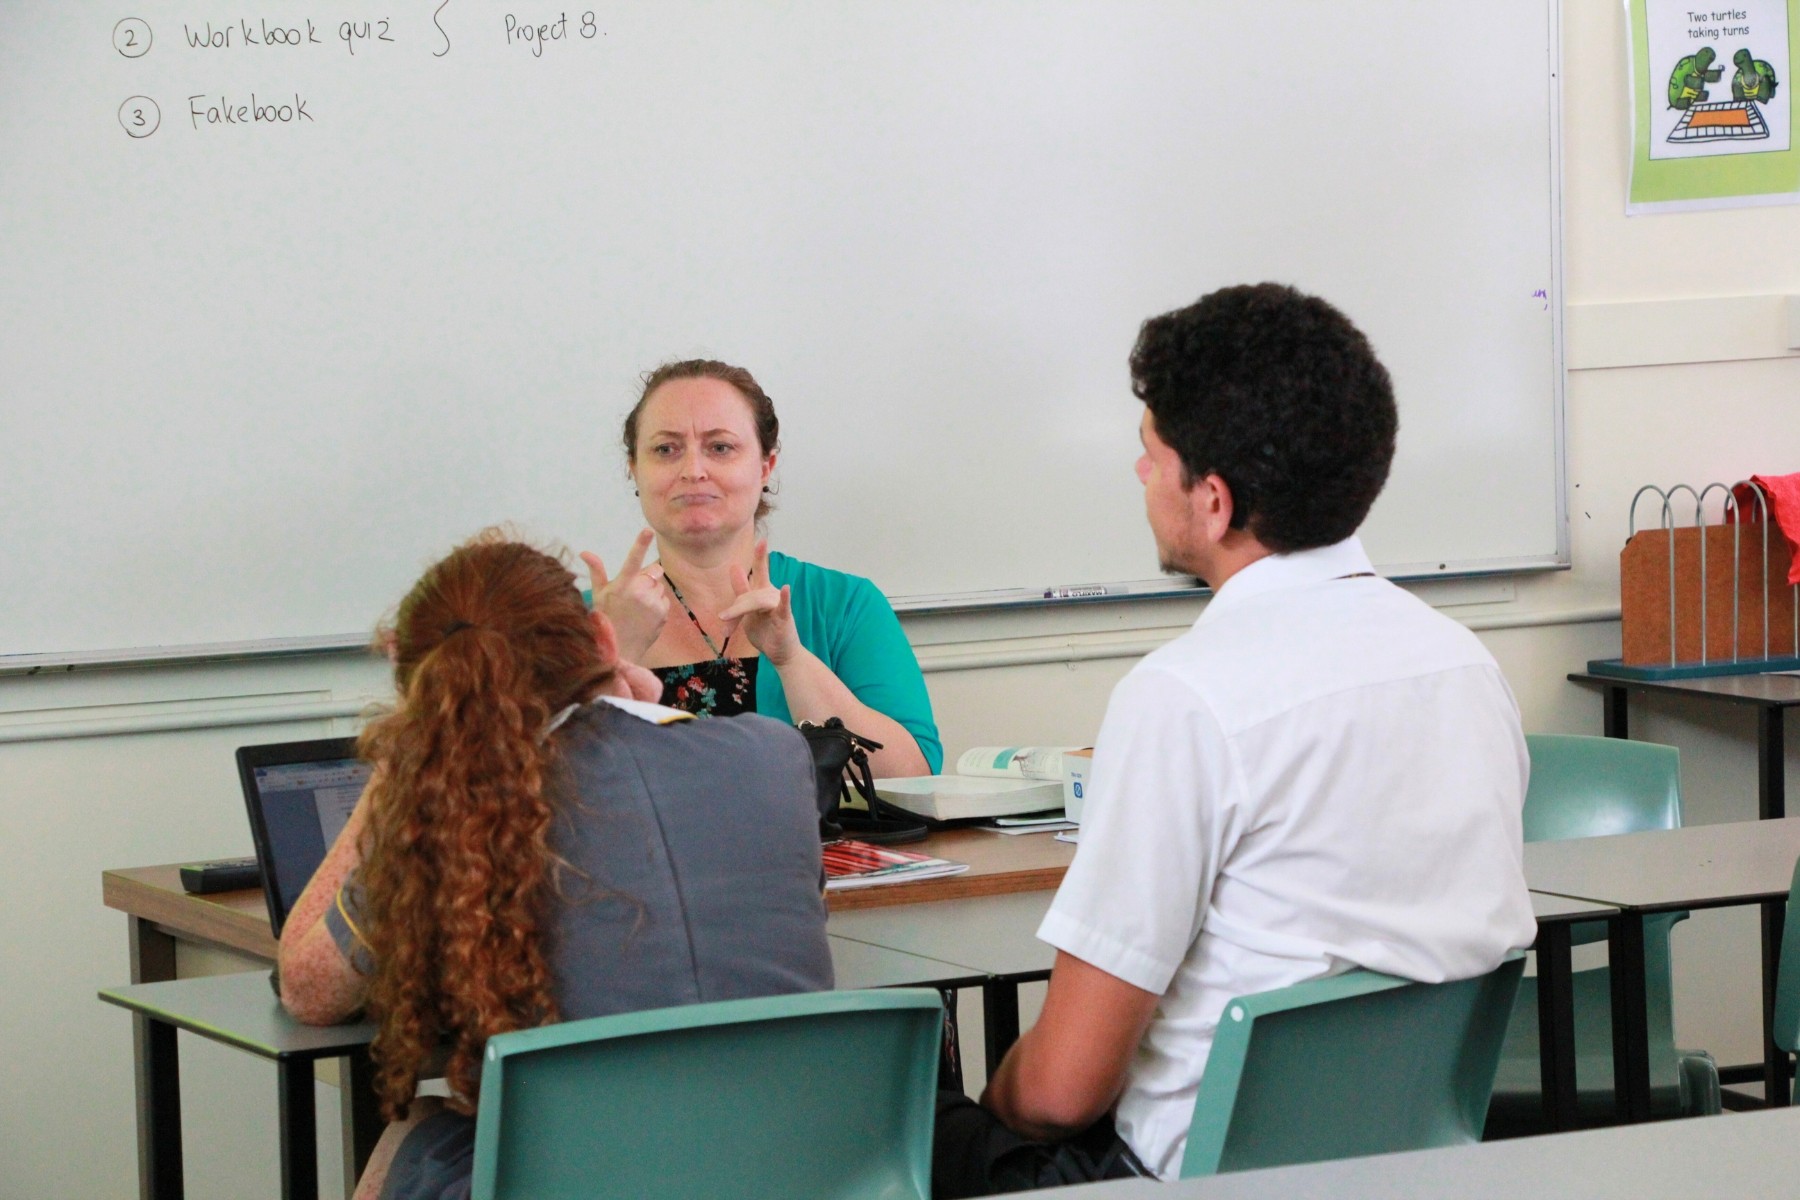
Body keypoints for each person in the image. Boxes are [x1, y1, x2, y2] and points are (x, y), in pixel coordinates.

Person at [933, 283, 1537, 1193]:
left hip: (1189, 1177)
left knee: (915, 1116)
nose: (1139, 475)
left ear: (1212, 501)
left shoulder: (1185, 698)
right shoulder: (1463, 666)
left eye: (1151, 454)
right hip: (1409, 1167)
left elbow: (1060, 1094)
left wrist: (983, 1110)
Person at [277, 532, 833, 1200]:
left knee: (420, 1132)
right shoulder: (772, 754)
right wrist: (646, 709)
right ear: (602, 639)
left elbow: (309, 988)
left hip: (587, 1177)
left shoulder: (460, 814)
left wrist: (409, 765)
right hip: (800, 1167)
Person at [582, 359, 941, 778]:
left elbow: (913, 779)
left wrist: (791, 660)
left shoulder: (844, 604)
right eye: (666, 449)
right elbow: (527, 792)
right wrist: (609, 657)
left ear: (766, 465)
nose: (693, 470)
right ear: (634, 468)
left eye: (720, 448)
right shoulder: (580, 619)